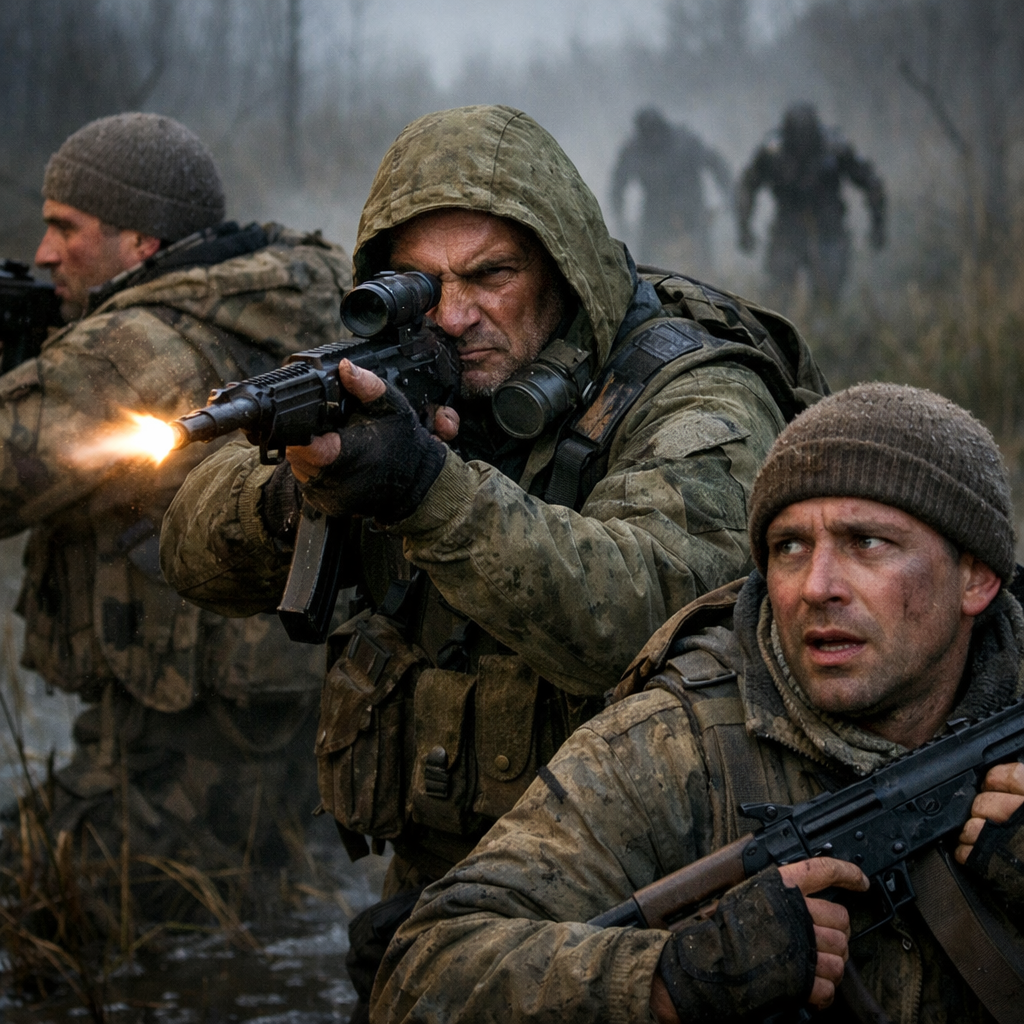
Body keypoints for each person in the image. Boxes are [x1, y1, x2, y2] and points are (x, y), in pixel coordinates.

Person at [159, 103, 827, 1016]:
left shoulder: (696, 396)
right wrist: (305, 491)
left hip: (658, 898)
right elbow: (191, 552)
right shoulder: (405, 368)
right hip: (441, 878)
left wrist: (423, 489)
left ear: (565, 271)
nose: (454, 315)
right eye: (420, 284)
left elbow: (646, 612)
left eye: (491, 275)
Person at [372, 381, 1024, 1023]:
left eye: (867, 542)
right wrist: (668, 978)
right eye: (789, 547)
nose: (816, 586)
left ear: (976, 576)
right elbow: (419, 979)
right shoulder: (667, 745)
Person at [0, 113, 351, 919]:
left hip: (174, 758)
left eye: (66, 228)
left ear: (142, 242)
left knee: (31, 900)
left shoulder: (130, 349)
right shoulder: (284, 298)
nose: (45, 252)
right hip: (293, 742)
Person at [736, 102, 887, 308]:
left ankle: (822, 326)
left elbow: (871, 181)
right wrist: (744, 227)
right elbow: (747, 185)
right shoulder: (773, 150)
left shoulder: (834, 147)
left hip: (828, 230)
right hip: (788, 231)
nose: (801, 143)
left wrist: (878, 224)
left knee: (827, 301)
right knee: (777, 299)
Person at [610, 106, 732, 274]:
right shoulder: (634, 150)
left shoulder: (685, 141)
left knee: (701, 259)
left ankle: (706, 278)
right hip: (656, 208)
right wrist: (620, 219)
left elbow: (715, 163)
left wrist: (728, 194)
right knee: (646, 263)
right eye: (648, 133)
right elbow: (618, 186)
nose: (653, 138)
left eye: (656, 131)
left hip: (690, 204)